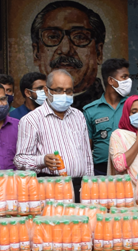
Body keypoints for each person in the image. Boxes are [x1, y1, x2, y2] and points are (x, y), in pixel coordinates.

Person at [15, 69, 94, 201]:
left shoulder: (78, 116)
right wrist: (42, 160)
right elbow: (20, 160)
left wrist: (91, 186)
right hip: (49, 188)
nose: (64, 95)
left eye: (68, 91)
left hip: (80, 186)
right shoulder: (31, 120)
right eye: (58, 90)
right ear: (46, 91)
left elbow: (87, 156)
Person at [30, 0, 107, 108]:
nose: (65, 49)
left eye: (79, 37)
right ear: (36, 53)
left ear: (99, 53)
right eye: (53, 37)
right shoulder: (30, 114)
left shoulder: (111, 110)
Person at [83, 58, 132, 175]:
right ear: (111, 80)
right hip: (100, 170)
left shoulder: (133, 106)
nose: (129, 81)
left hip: (130, 166)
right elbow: (86, 147)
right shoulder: (91, 110)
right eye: (124, 77)